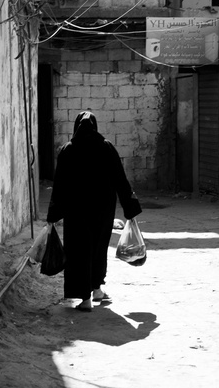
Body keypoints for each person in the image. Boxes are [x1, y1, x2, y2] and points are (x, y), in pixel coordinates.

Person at [47, 111, 142, 312]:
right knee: (98, 250)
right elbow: (120, 179)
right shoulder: (106, 148)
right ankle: (97, 289)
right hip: (102, 212)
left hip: (76, 213)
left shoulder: (68, 150)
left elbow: (60, 186)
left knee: (78, 252)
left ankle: (86, 298)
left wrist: (53, 215)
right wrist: (130, 208)